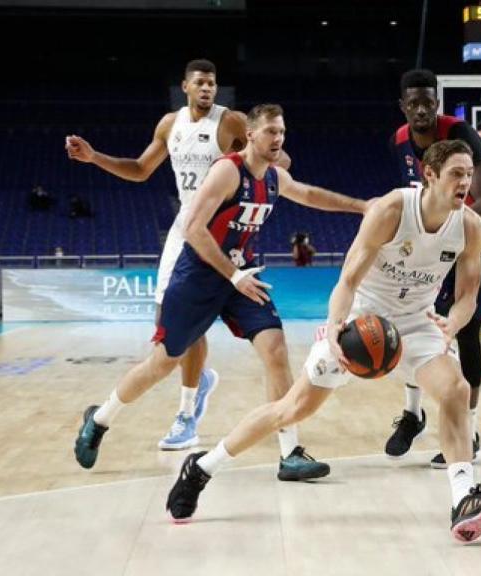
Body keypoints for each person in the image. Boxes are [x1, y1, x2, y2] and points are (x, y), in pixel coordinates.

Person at [164, 140, 481, 542]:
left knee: (456, 389)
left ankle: (463, 501)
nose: (465, 183)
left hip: (420, 324)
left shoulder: (470, 224)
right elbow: (349, 279)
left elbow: (467, 297)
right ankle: (202, 467)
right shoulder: (392, 209)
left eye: (469, 175)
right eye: (457, 174)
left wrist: (452, 325)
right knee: (291, 409)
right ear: (430, 175)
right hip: (362, 322)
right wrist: (336, 325)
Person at [74, 104, 366, 483]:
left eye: (282, 132)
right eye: (270, 132)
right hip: (199, 274)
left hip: (238, 274)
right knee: (162, 363)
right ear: (250, 135)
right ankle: (99, 419)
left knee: (275, 348)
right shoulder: (228, 170)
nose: (278, 139)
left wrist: (362, 207)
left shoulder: (275, 177)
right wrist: (233, 276)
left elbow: (310, 194)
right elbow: (194, 228)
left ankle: (290, 453)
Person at [64, 59, 308, 468]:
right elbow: (141, 170)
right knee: (170, 342)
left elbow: (280, 163)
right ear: (185, 87)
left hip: (222, 235)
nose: (207, 88)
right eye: (200, 83)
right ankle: (173, 400)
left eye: (213, 83)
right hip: (187, 233)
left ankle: (189, 411)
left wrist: (254, 167)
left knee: (262, 344)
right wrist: (94, 158)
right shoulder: (169, 125)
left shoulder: (229, 122)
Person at [384, 68, 481, 468]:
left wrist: (442, 226)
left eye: (429, 101)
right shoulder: (399, 141)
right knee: (413, 318)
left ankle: (470, 432)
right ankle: (412, 415)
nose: (422, 109)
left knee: (467, 327)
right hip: (440, 234)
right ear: (403, 106)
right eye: (414, 103)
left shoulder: (460, 132)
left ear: (437, 104)